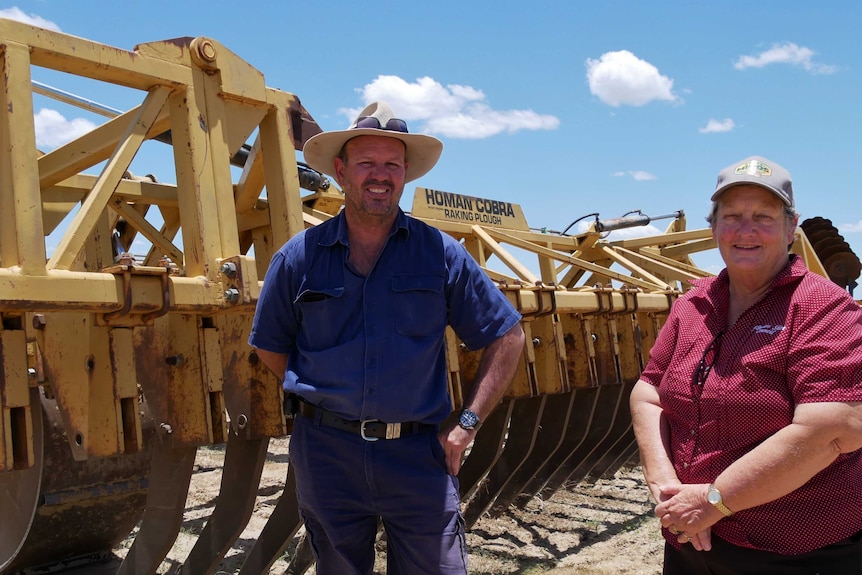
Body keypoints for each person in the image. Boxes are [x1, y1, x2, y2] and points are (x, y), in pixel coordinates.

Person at [248, 100, 525, 574]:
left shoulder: (440, 254)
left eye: (392, 165)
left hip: (418, 457)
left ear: (405, 174)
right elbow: (270, 346)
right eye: (367, 164)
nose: (381, 175)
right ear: (340, 171)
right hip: (326, 455)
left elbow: (507, 335)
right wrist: (327, 396)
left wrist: (468, 424)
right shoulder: (299, 258)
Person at [630, 155, 862, 574]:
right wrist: (665, 487)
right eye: (732, 216)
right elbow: (649, 391)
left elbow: (831, 430)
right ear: (714, 227)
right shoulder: (693, 305)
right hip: (691, 540)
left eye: (764, 216)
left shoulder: (822, 308)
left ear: (791, 227)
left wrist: (714, 501)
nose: (746, 229)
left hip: (795, 551)